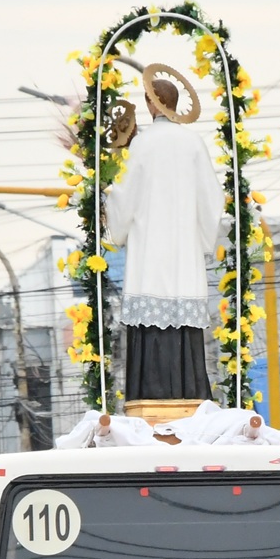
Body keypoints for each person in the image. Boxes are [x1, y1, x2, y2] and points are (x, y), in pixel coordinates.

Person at [105, 73, 225, 401]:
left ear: (151, 103)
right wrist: (199, 241)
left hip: (149, 255)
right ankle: (191, 400)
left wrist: (106, 198)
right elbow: (213, 201)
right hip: (184, 257)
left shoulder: (141, 143)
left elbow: (123, 200)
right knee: (184, 327)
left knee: (149, 325)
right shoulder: (193, 143)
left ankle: (149, 402)